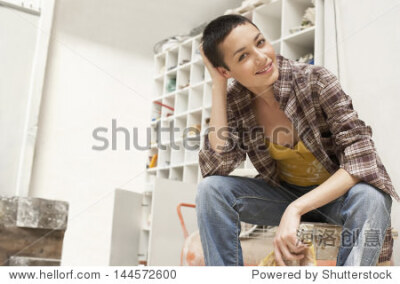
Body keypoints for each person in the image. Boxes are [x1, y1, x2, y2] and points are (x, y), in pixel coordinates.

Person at [195, 14, 399, 266]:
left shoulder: (315, 81)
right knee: (210, 190)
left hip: (337, 198)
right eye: (242, 56)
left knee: (372, 196)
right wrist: (218, 85)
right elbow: (216, 166)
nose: (261, 57)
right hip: (283, 195)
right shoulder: (236, 100)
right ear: (226, 70)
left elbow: (362, 162)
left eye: (260, 43)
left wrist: (296, 209)